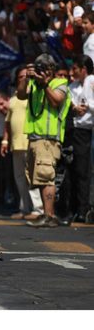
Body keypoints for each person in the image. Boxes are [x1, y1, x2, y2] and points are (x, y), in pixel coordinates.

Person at [17, 54, 71, 228]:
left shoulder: (60, 84)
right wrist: (26, 77)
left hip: (48, 139)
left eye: (44, 69)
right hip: (34, 137)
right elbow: (20, 95)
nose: (41, 72)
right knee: (38, 178)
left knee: (46, 177)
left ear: (51, 70)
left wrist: (45, 84)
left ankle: (49, 216)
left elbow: (56, 101)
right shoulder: (34, 83)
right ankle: (46, 214)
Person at [0, 67, 43, 220]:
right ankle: (25, 208)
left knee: (31, 177)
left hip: (29, 142)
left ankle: (38, 209)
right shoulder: (14, 99)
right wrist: (5, 140)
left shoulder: (34, 95)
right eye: (21, 76)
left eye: (26, 76)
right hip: (16, 144)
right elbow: (8, 123)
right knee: (19, 178)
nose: (24, 78)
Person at [59, 55, 94, 224]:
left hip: (85, 131)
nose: (72, 73)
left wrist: (87, 106)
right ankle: (71, 208)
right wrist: (74, 107)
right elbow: (68, 102)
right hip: (71, 129)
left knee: (82, 170)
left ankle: (83, 209)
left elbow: (89, 102)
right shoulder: (72, 86)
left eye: (75, 69)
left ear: (84, 69)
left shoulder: (90, 82)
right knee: (70, 170)